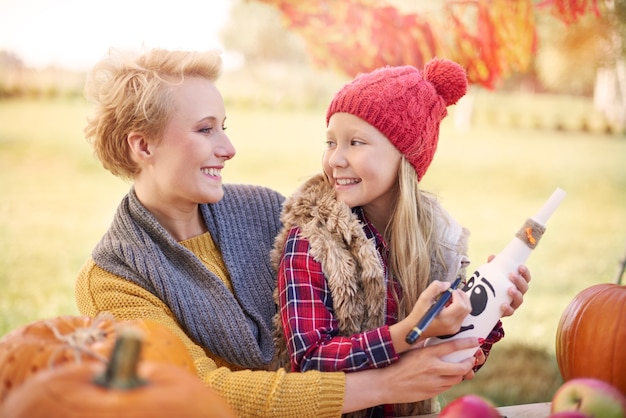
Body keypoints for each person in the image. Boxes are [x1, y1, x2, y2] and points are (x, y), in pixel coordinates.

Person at [75, 47, 492, 418]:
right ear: (143, 147)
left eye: (224, 126)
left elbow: (366, 304)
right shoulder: (112, 280)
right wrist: (387, 384)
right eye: (205, 129)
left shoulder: (265, 210)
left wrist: (478, 308)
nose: (228, 147)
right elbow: (197, 390)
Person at [271, 59, 532, 417]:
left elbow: (454, 361)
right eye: (331, 142)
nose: (335, 159)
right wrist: (407, 331)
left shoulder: (437, 242)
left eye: (355, 142)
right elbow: (310, 362)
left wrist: (486, 308)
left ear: (404, 156)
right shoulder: (312, 239)